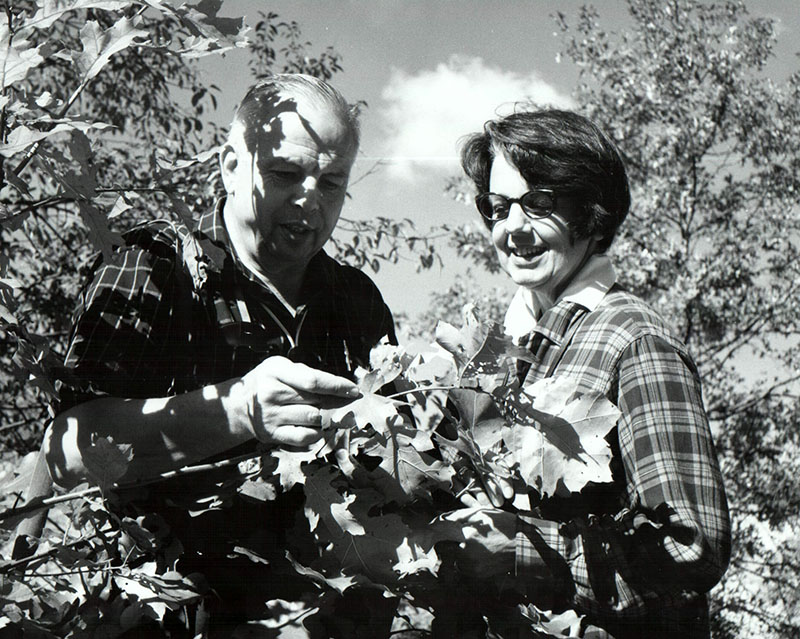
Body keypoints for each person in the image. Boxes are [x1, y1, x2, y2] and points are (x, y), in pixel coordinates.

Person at [43, 74, 397, 636]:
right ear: (232, 166)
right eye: (286, 174)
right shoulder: (155, 263)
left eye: (332, 182)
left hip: (322, 616)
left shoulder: (358, 301)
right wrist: (238, 411)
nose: (310, 199)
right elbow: (68, 451)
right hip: (162, 613)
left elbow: (387, 473)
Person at [438, 109, 731, 638]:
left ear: (592, 212)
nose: (513, 229)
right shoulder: (492, 355)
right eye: (498, 208)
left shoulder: (635, 340)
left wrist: (525, 552)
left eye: (539, 204)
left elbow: (691, 548)